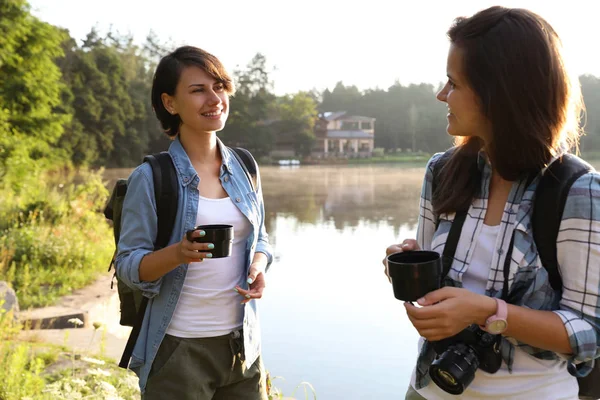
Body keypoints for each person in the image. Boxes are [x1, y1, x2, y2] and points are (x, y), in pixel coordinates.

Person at [383, 6, 600, 400]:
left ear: (499, 93)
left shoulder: (580, 191)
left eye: (453, 83)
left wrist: (484, 311)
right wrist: (408, 265)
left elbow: (587, 332)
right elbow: (433, 291)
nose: (440, 94)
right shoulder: (441, 171)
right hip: (429, 389)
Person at [116, 45, 273, 399]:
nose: (214, 98)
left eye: (218, 86)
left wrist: (258, 266)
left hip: (243, 347)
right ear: (170, 103)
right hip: (178, 351)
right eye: (198, 90)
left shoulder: (245, 167)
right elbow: (128, 266)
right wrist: (179, 253)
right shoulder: (151, 176)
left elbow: (261, 237)